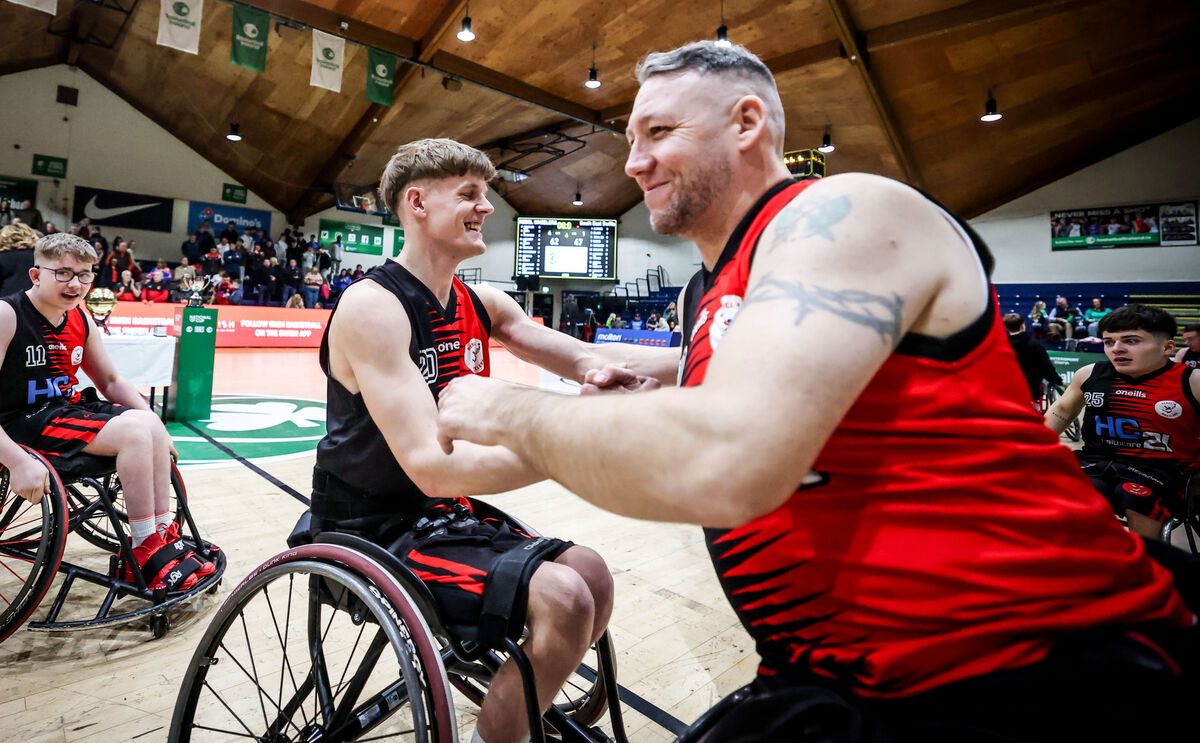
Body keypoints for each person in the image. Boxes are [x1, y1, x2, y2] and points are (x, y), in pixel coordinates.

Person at [436, 41, 1199, 741]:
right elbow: (713, 371)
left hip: (1024, 666)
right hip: (840, 673)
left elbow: (725, 459)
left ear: (747, 121)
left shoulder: (844, 213)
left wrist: (506, 408)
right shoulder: (720, 288)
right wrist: (591, 357)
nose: (633, 163)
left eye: (658, 132)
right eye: (630, 140)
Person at [307, 138, 675, 743]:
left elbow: (593, 358)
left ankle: (518, 711)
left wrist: (706, 357)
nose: (487, 209)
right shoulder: (372, 306)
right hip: (370, 525)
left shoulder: (481, 301)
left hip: (439, 511)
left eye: (486, 195)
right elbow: (430, 466)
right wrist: (571, 440)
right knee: (564, 598)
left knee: (594, 576)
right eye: (470, 195)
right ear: (418, 202)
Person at [0, 233, 213, 591]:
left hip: (61, 411)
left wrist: (159, 427)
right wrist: (17, 461)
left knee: (147, 423)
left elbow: (111, 380)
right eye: (64, 273)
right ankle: (145, 549)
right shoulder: (8, 313)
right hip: (21, 421)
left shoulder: (80, 317)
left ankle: (163, 540)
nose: (76, 284)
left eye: (84, 275)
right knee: (133, 434)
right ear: (36, 276)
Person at [1047, 304, 1200, 537]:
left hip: (1163, 470)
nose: (1117, 349)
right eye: (1109, 342)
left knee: (1136, 498)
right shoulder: (1089, 374)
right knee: (1064, 492)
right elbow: (1063, 411)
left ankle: (1147, 564)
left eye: (1131, 341)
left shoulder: (1191, 381)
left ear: (1167, 347)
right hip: (1097, 463)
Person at [1003, 312, 1062, 404]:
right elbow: (1046, 367)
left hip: (1006, 388)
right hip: (1030, 388)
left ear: (1006, 327)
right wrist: (1058, 381)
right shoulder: (1034, 345)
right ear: (1023, 325)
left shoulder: (1001, 345)